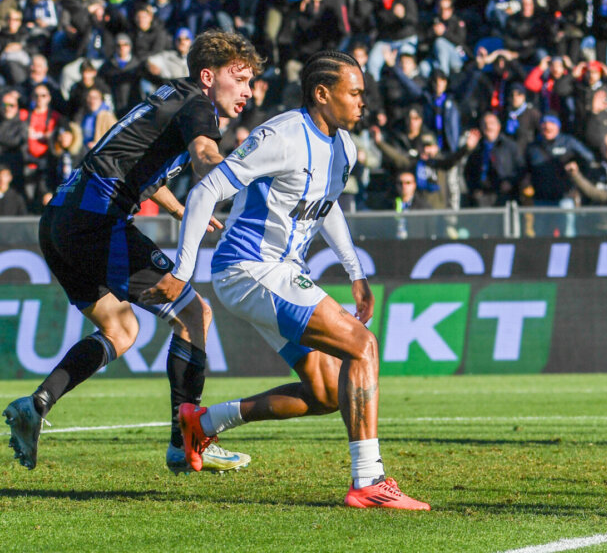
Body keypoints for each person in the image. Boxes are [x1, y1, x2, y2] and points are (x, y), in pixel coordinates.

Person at [141, 51, 429, 510]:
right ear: (322, 94)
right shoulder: (283, 134)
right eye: (354, 93)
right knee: (363, 345)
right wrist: (182, 270)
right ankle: (368, 479)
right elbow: (207, 189)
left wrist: (356, 273)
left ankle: (204, 421)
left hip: (281, 271)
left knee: (324, 391)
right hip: (248, 268)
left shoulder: (344, 146)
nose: (363, 102)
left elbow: (326, 205)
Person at [3, 30, 258, 475]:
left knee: (121, 330)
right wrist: (242, 176)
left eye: (250, 82)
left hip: (60, 220)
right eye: (240, 79)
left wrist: (180, 208)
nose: (248, 91)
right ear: (207, 76)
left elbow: (141, 169)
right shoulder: (199, 107)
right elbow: (203, 153)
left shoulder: (167, 98)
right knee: (194, 314)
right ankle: (187, 442)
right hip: (95, 221)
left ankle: (37, 403)